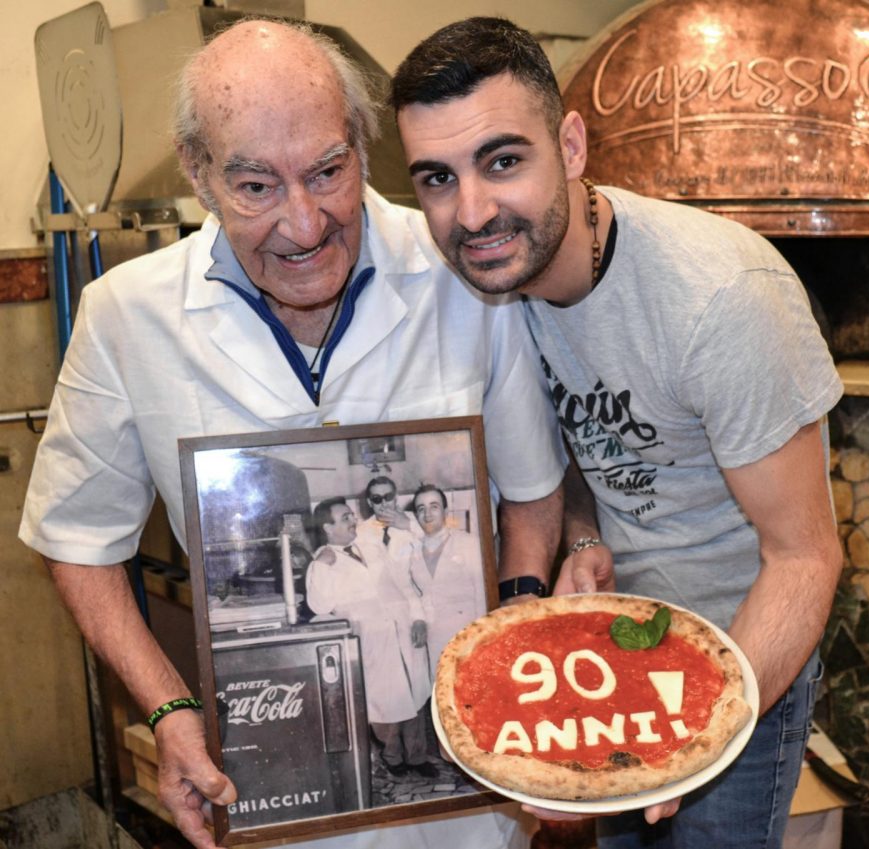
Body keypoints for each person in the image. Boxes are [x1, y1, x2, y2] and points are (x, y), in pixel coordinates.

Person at [18, 18, 579, 849]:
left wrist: (515, 655)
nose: (306, 224)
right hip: (270, 794)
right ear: (198, 172)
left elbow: (532, 492)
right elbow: (77, 541)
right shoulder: (126, 319)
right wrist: (170, 708)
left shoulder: (460, 277)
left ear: (361, 144)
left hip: (470, 806)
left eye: (327, 171)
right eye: (256, 186)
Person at [391, 18, 845, 848]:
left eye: (503, 161)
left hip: (741, 655)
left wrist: (690, 740)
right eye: (438, 178)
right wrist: (584, 535)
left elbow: (806, 557)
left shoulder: (721, 299)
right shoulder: (501, 288)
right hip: (612, 661)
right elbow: (576, 442)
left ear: (570, 146)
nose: (473, 211)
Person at [305, 497, 434, 779]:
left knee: (413, 693)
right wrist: (323, 566)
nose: (353, 520)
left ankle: (418, 757)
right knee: (383, 702)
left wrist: (418, 617)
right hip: (370, 641)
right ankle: (393, 758)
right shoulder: (323, 561)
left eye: (351, 515)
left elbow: (401, 583)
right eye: (345, 517)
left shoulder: (371, 547)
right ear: (327, 527)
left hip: (401, 629)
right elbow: (319, 605)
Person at [408, 483, 487, 668]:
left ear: (445, 511)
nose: (427, 514)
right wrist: (418, 619)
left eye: (434, 507)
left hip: (468, 632)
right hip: (434, 636)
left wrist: (482, 634)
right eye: (421, 509)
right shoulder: (413, 550)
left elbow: (482, 592)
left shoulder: (468, 543)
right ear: (416, 515)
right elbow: (414, 593)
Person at [355, 475, 421, 561]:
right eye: (377, 499)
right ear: (369, 502)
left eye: (388, 497)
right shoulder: (361, 531)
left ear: (396, 498)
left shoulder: (416, 519)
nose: (384, 503)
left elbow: (434, 542)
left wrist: (409, 525)